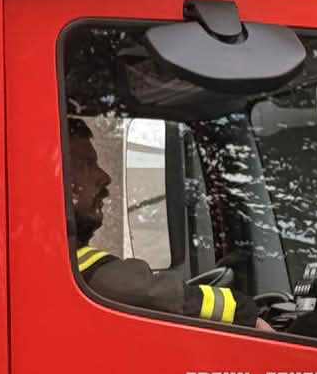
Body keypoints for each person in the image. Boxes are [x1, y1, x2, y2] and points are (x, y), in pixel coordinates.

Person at [65, 118, 260, 328]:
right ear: (60, 179)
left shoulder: (63, 265)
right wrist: (247, 314)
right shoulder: (91, 274)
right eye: (87, 164)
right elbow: (156, 295)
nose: (104, 177)